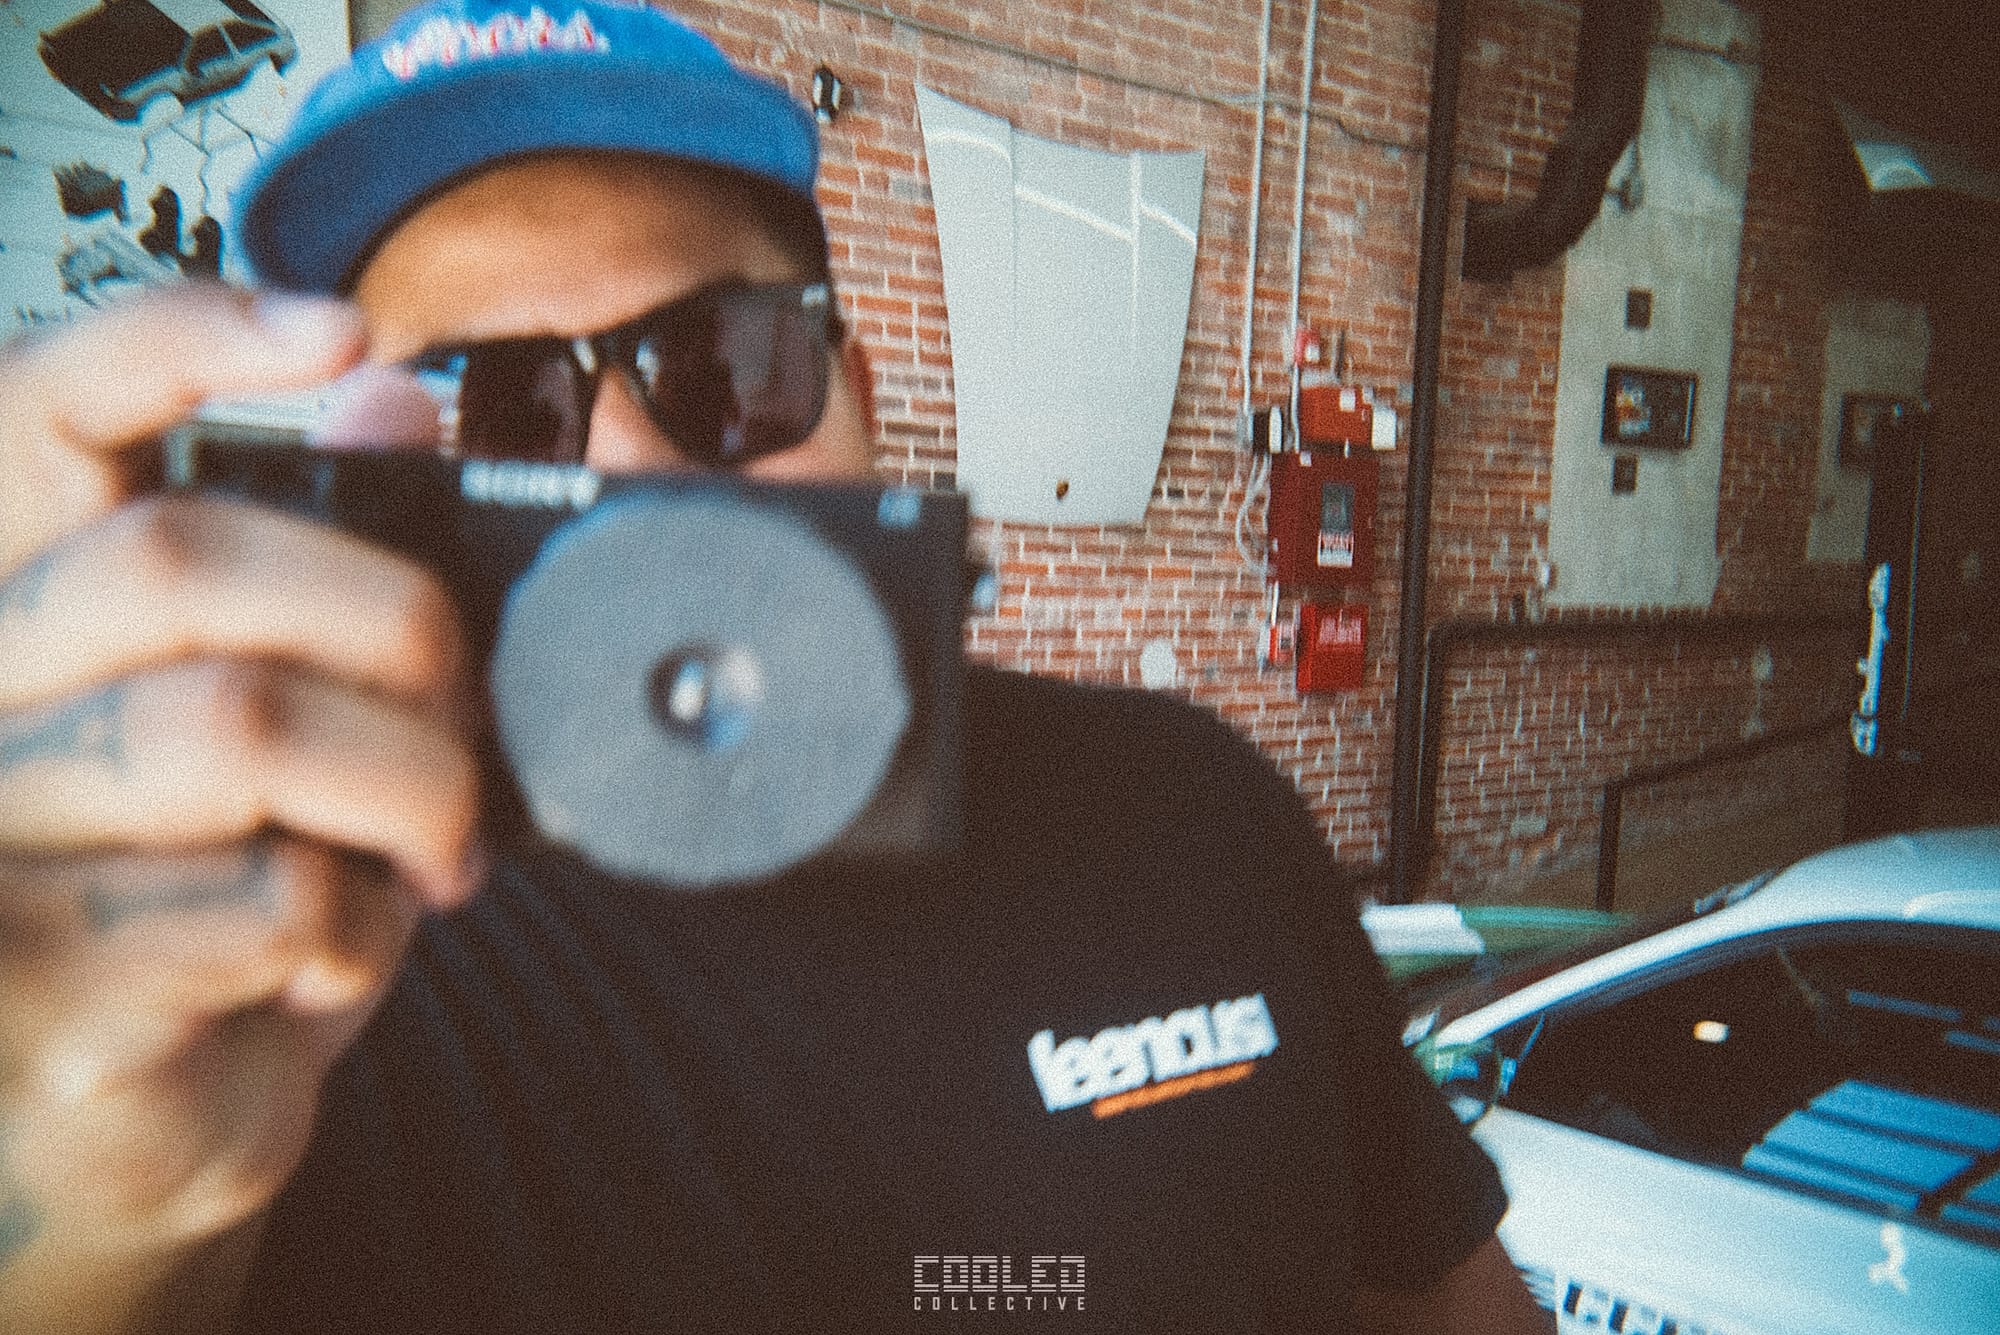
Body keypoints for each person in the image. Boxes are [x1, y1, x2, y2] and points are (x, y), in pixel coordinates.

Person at [0, 1, 1551, 1330]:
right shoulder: (271, 964)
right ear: (376, 470)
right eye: (505, 406)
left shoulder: (1195, 811)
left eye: (723, 366)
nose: (626, 466)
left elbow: (1444, 1298)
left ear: (854, 394)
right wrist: (102, 1216)